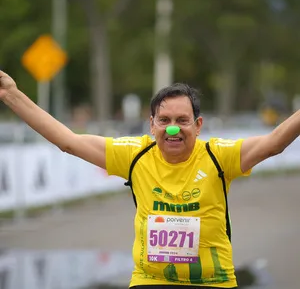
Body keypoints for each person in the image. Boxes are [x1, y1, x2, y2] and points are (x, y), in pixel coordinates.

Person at [0, 70, 299, 289]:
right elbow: (68, 141)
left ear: (198, 125)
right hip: (150, 280)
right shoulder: (134, 154)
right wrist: (10, 94)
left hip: (215, 281)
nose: (173, 129)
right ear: (151, 125)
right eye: (164, 121)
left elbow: (274, 143)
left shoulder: (219, 155)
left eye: (182, 121)